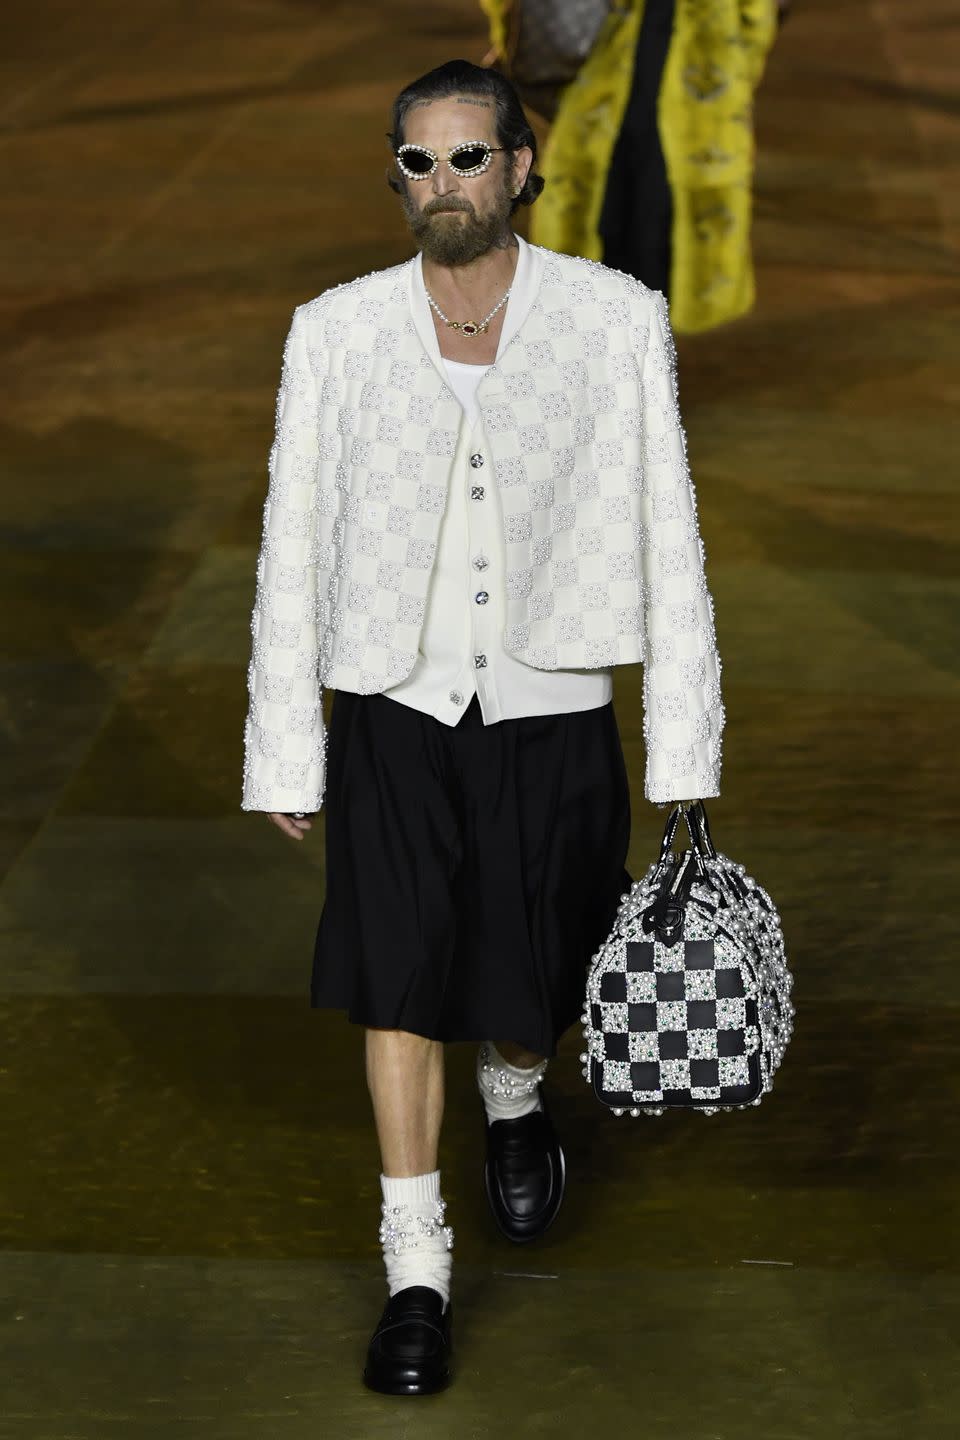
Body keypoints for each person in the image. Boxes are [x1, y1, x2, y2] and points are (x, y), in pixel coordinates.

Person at [241, 58, 724, 1396]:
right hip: (390, 701)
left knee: (539, 964)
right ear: (395, 178)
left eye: (469, 158)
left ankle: (518, 1095)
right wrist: (287, 737)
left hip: (552, 702)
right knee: (395, 971)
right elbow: (294, 540)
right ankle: (416, 1268)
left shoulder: (614, 320)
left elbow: (667, 533)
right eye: (418, 161)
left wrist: (684, 746)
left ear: (521, 167)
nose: (443, 183)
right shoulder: (331, 330)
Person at [481, 0, 785, 333]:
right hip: (631, 106)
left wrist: (731, 76)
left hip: (669, 110)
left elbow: (755, 22)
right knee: (616, 248)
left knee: (641, 250)